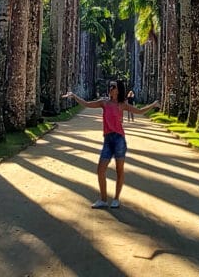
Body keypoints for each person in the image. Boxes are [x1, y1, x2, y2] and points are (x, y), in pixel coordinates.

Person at [62, 79, 159, 209]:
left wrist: (153, 104)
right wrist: (74, 96)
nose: (111, 88)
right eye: (110, 86)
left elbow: (140, 111)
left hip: (119, 139)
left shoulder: (122, 105)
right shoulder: (104, 103)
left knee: (120, 170)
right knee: (101, 169)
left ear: (118, 90)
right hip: (108, 140)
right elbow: (86, 104)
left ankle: (116, 199)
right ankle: (103, 199)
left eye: (113, 86)